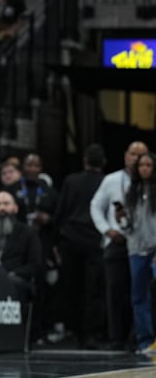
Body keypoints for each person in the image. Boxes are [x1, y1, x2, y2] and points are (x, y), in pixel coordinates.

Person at [91, 141, 148, 350]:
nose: (135, 158)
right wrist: (106, 229)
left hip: (142, 244)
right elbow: (96, 206)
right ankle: (116, 338)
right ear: (125, 155)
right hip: (117, 241)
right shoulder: (112, 180)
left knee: (140, 291)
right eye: (132, 154)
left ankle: (140, 336)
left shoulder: (149, 183)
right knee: (115, 290)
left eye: (141, 155)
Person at [52, 144, 107, 348]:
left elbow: (60, 212)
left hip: (71, 239)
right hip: (95, 239)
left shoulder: (71, 181)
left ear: (84, 160)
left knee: (70, 286)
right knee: (94, 288)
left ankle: (72, 331)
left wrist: (56, 241)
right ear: (103, 163)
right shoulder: (106, 181)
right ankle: (91, 333)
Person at [120, 152, 156, 353]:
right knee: (139, 296)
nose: (144, 168)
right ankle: (145, 341)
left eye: (148, 165)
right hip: (136, 249)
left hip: (154, 248)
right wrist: (121, 218)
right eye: (141, 165)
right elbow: (128, 226)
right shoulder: (131, 192)